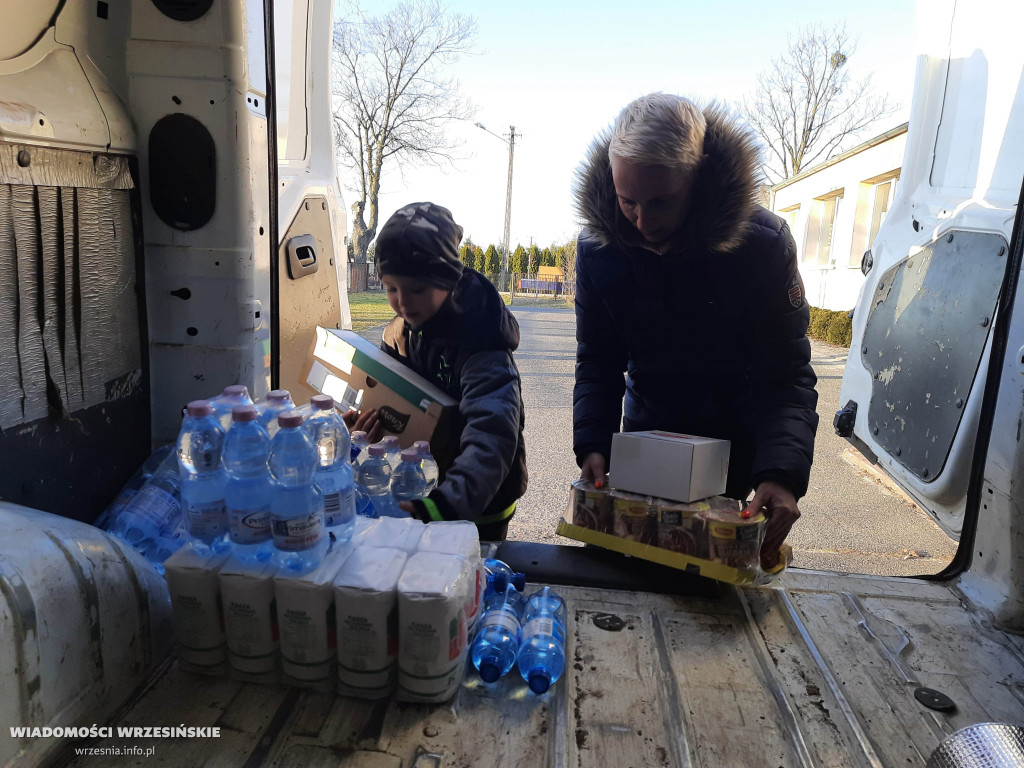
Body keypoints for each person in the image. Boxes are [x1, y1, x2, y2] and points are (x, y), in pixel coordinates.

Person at [572, 93, 818, 568]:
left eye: (660, 202)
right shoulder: (600, 250)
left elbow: (785, 375)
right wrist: (594, 444)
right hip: (644, 441)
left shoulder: (762, 246)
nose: (642, 223)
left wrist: (782, 473)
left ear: (699, 177)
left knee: (712, 584)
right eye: (627, 202)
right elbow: (598, 360)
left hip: (733, 454)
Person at [349, 202, 527, 541]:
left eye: (417, 289)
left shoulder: (480, 343)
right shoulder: (398, 334)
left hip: (479, 505)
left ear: (447, 280)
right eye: (391, 288)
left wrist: (445, 505)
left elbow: (492, 435)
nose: (403, 302)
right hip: (422, 490)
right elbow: (392, 405)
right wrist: (367, 431)